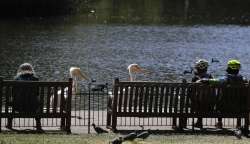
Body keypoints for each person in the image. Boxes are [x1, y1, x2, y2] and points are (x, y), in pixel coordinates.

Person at [199, 59, 247, 129]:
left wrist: (205, 80)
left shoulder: (226, 78)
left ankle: (219, 123)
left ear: (229, 68)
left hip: (224, 107)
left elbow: (217, 81)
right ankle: (238, 124)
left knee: (220, 101)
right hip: (238, 107)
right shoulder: (243, 79)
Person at [7, 63, 42, 131]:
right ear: (31, 70)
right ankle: (38, 125)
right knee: (36, 102)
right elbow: (37, 93)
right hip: (32, 107)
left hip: (18, 106)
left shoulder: (16, 79)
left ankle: (9, 124)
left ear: (20, 70)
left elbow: (13, 93)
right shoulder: (36, 79)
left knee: (15, 101)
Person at [192, 59, 213, 128]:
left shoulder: (195, 78)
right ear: (206, 68)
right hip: (209, 104)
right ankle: (199, 122)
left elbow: (191, 91)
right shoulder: (210, 77)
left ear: (197, 67)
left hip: (196, 105)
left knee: (197, 98)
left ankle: (199, 122)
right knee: (203, 99)